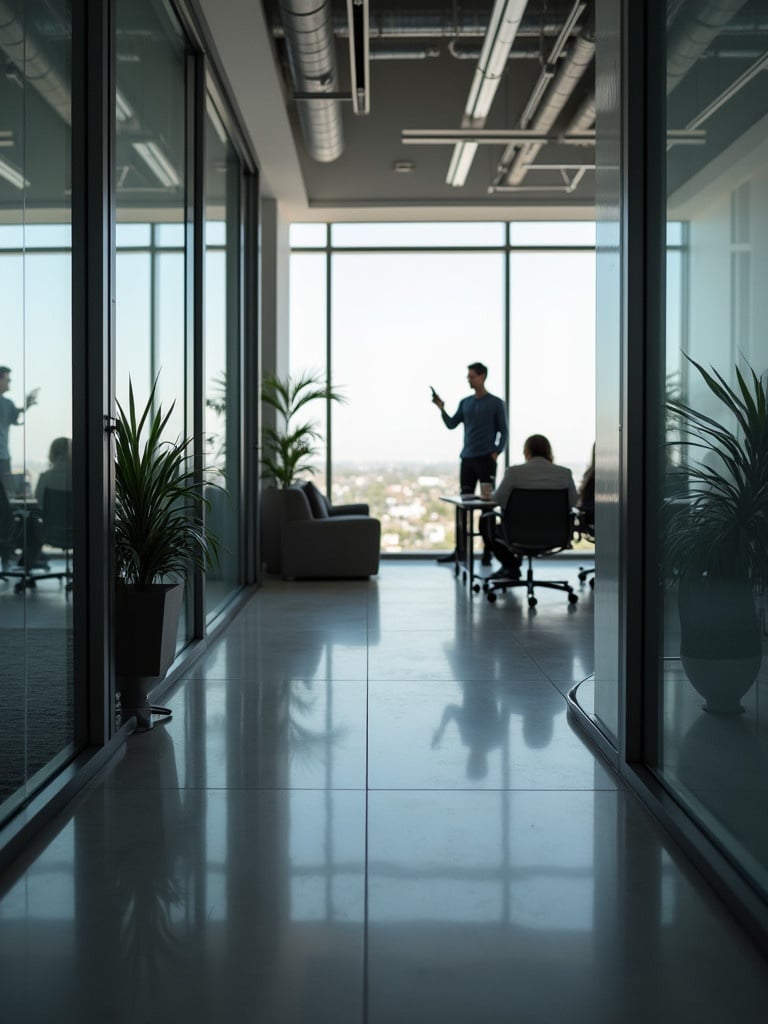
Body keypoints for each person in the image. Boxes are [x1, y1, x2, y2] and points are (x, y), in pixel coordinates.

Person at [432, 362, 507, 565]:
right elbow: (451, 424)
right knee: (463, 506)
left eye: (472, 376)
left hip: (486, 460)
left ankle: (488, 551)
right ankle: (460, 551)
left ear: (482, 377)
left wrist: (497, 452)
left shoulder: (496, 403)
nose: (469, 379)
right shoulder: (465, 402)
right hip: (467, 459)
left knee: (487, 509)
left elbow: (504, 431)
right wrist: (441, 408)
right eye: (468, 376)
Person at [483, 433, 578, 579]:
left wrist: (490, 495)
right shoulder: (564, 473)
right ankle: (511, 568)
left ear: (526, 452)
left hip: (518, 533)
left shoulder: (514, 472)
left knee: (486, 522)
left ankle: (511, 566)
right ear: (549, 452)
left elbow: (498, 500)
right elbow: (573, 503)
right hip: (554, 534)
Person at [0, 366, 39, 498]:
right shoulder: (6, 404)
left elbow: (17, 418)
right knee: (7, 495)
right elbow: (17, 418)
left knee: (7, 494)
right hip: (2, 457)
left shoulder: (7, 403)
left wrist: (26, 406)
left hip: (3, 456)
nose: (9, 383)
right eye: (7, 380)